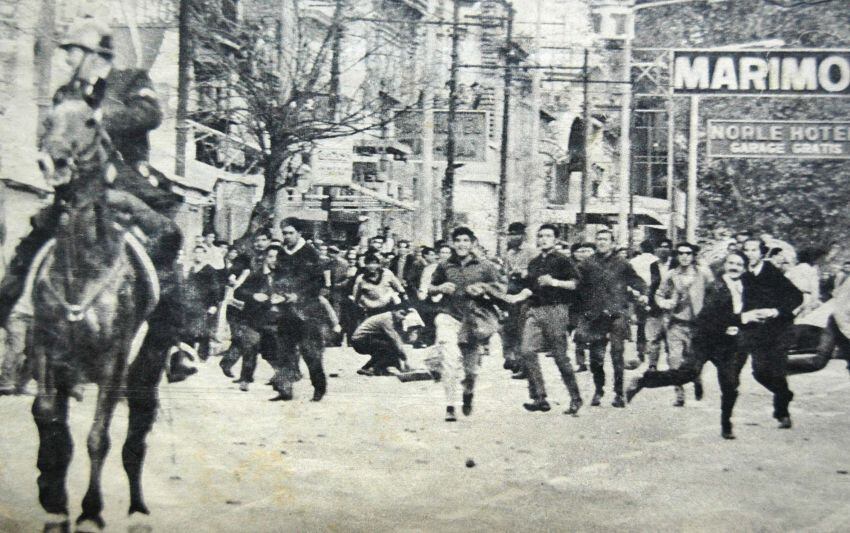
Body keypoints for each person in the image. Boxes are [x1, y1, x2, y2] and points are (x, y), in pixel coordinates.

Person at [0, 18, 196, 386]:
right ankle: (15, 324)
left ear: (93, 55)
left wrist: (98, 117)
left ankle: (176, 345)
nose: (67, 61)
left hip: (126, 184)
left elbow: (149, 115)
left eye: (72, 53)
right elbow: (53, 137)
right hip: (76, 190)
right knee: (31, 245)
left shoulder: (132, 81)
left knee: (166, 243)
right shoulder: (64, 94)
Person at [626, 251, 749, 439]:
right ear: (725, 265)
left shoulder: (747, 286)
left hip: (728, 344)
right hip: (706, 338)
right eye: (731, 263)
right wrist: (736, 321)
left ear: (744, 268)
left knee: (730, 383)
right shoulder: (715, 286)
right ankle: (643, 381)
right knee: (686, 374)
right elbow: (710, 315)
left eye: (739, 264)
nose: (734, 267)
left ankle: (726, 424)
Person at [503, 225, 583, 415]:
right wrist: (516, 297)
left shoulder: (563, 260)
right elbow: (531, 287)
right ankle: (539, 397)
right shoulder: (534, 262)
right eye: (541, 236)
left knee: (560, 357)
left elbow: (576, 284)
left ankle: (575, 397)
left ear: (556, 239)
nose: (544, 239)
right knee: (526, 351)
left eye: (548, 236)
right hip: (535, 309)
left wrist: (554, 282)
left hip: (556, 310)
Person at [429, 227, 505, 422]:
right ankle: (450, 406)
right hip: (449, 317)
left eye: (465, 240)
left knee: (471, 371)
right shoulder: (445, 266)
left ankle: (468, 391)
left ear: (472, 243)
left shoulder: (485, 266)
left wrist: (484, 288)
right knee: (450, 361)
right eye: (458, 240)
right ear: (453, 243)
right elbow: (430, 288)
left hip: (472, 321)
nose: (461, 244)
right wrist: (440, 288)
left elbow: (501, 289)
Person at [576, 229, 647, 408]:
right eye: (599, 239)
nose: (601, 242)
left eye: (605, 240)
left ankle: (618, 393)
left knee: (617, 354)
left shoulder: (622, 263)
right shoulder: (587, 264)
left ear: (613, 243)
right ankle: (599, 389)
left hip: (617, 314)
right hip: (596, 316)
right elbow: (576, 283)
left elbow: (637, 281)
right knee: (596, 358)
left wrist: (644, 293)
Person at [739, 238, 803, 429]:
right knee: (759, 372)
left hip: (779, 330)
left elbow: (796, 297)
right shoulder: (744, 276)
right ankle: (784, 393)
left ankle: (782, 413)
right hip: (757, 332)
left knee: (777, 370)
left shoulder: (772, 273)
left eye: (754, 250)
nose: (750, 254)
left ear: (762, 253)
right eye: (747, 250)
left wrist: (775, 311)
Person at [269, 218, 328, 402]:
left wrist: (299, 296)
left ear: (300, 233)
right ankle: (285, 390)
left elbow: (319, 283)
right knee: (284, 351)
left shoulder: (311, 254)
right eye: (284, 233)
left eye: (290, 233)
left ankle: (319, 387)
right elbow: (277, 278)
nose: (287, 236)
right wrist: (277, 293)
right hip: (286, 310)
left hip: (307, 311)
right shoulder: (282, 253)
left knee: (310, 352)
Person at [653, 242, 714, 406]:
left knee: (693, 360)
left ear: (693, 256)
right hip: (676, 324)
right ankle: (679, 394)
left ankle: (697, 379)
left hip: (697, 325)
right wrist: (664, 303)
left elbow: (715, 294)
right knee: (674, 359)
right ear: (677, 256)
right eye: (680, 253)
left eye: (688, 253)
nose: (684, 256)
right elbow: (658, 294)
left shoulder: (703, 275)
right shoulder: (671, 275)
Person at [501, 222, 536, 377]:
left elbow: (536, 273)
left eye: (516, 234)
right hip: (512, 292)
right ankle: (515, 361)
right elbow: (506, 273)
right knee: (510, 329)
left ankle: (525, 367)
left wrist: (523, 272)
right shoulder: (509, 254)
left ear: (523, 235)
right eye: (511, 234)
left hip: (527, 294)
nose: (513, 237)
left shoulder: (531, 252)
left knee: (523, 331)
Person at [351, 309, 414, 376]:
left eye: (405, 315)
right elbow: (394, 339)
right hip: (360, 341)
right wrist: (405, 359)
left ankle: (368, 368)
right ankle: (372, 368)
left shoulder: (389, 317)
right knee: (389, 347)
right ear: (394, 311)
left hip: (363, 339)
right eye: (401, 313)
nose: (403, 317)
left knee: (389, 346)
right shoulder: (386, 319)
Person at [352, 252, 406, 317]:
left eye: (374, 263)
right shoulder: (360, 279)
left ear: (378, 264)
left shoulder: (386, 273)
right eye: (368, 263)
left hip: (389, 307)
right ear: (365, 265)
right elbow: (356, 298)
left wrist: (404, 302)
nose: (371, 266)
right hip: (373, 310)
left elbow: (399, 288)